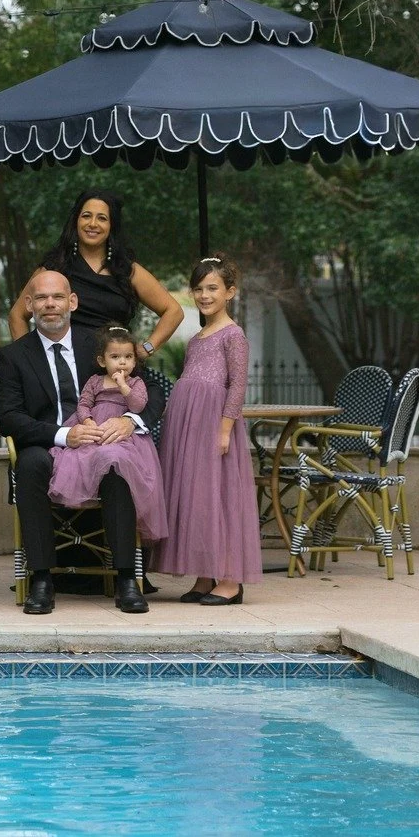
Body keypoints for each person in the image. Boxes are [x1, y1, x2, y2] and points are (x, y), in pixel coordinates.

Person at [0, 269, 164, 615]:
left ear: (72, 302)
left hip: (103, 440)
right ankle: (41, 578)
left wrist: (129, 420)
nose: (50, 305)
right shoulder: (14, 356)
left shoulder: (100, 346)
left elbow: (154, 392)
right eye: (41, 298)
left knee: (117, 466)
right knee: (29, 464)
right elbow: (8, 416)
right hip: (48, 443)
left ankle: (126, 578)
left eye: (57, 297)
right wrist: (63, 435)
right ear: (29, 305)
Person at [156, 257, 260, 605]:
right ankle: (205, 574)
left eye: (212, 288)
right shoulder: (197, 338)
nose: (204, 295)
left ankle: (230, 580)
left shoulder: (234, 335)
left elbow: (237, 385)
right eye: (199, 289)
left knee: (221, 496)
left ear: (230, 292)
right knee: (197, 496)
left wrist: (225, 428)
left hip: (214, 423)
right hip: (188, 425)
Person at [9, 189, 184, 350]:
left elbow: (173, 311)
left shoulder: (127, 270)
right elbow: (17, 315)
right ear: (76, 220)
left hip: (115, 371)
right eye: (86, 216)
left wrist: (147, 348)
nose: (93, 224)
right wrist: (30, 361)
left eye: (102, 218)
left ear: (111, 226)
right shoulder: (55, 268)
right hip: (66, 370)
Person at [48, 327, 169, 543]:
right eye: (115, 357)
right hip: (95, 426)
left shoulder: (135, 383)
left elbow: (138, 405)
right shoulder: (95, 380)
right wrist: (87, 420)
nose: (122, 362)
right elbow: (84, 404)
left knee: (114, 457)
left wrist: (123, 386)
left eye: (128, 357)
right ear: (102, 361)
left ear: (135, 361)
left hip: (122, 433)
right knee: (80, 456)